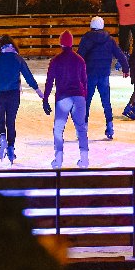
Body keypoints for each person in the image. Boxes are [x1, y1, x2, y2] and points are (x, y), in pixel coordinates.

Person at [43, 30, 91, 170]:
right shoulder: (80, 60)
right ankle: (84, 159)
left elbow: (49, 81)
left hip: (63, 99)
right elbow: (84, 81)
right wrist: (84, 97)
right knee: (81, 128)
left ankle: (58, 159)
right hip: (79, 97)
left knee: (58, 129)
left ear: (60, 43)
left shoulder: (56, 60)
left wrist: (45, 99)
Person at [77, 15, 128, 140]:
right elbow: (120, 55)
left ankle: (83, 128)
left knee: (86, 102)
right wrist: (126, 69)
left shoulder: (87, 39)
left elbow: (79, 56)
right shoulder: (109, 40)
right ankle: (110, 126)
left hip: (89, 74)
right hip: (104, 74)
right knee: (106, 101)